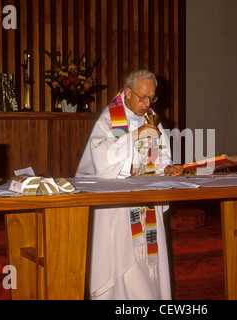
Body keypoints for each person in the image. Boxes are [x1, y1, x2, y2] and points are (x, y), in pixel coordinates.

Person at [76, 70, 183, 300]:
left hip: (147, 201)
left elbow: (161, 155)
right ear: (127, 93)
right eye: (143, 97)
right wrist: (134, 135)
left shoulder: (152, 118)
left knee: (149, 267)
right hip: (117, 206)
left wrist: (167, 168)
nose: (147, 104)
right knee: (124, 267)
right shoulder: (109, 118)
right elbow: (102, 160)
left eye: (151, 98)